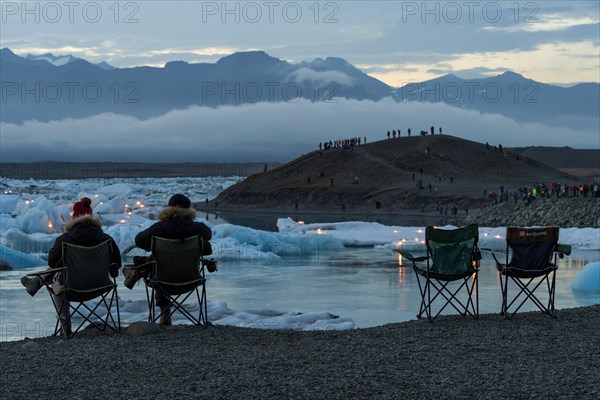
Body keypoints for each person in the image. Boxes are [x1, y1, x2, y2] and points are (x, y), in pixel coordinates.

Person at [20, 197, 122, 337]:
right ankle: (35, 284)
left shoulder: (65, 239)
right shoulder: (107, 239)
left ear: (74, 219)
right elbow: (117, 265)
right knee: (59, 272)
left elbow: (51, 262)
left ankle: (65, 330)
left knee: (58, 276)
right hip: (101, 285)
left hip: (72, 287)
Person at [123, 194, 213, 325]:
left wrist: (152, 246)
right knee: (158, 264)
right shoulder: (198, 228)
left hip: (162, 281)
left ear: (170, 208)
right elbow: (208, 236)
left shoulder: (159, 227)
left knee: (156, 265)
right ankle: (137, 273)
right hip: (191, 279)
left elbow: (139, 240)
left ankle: (164, 312)